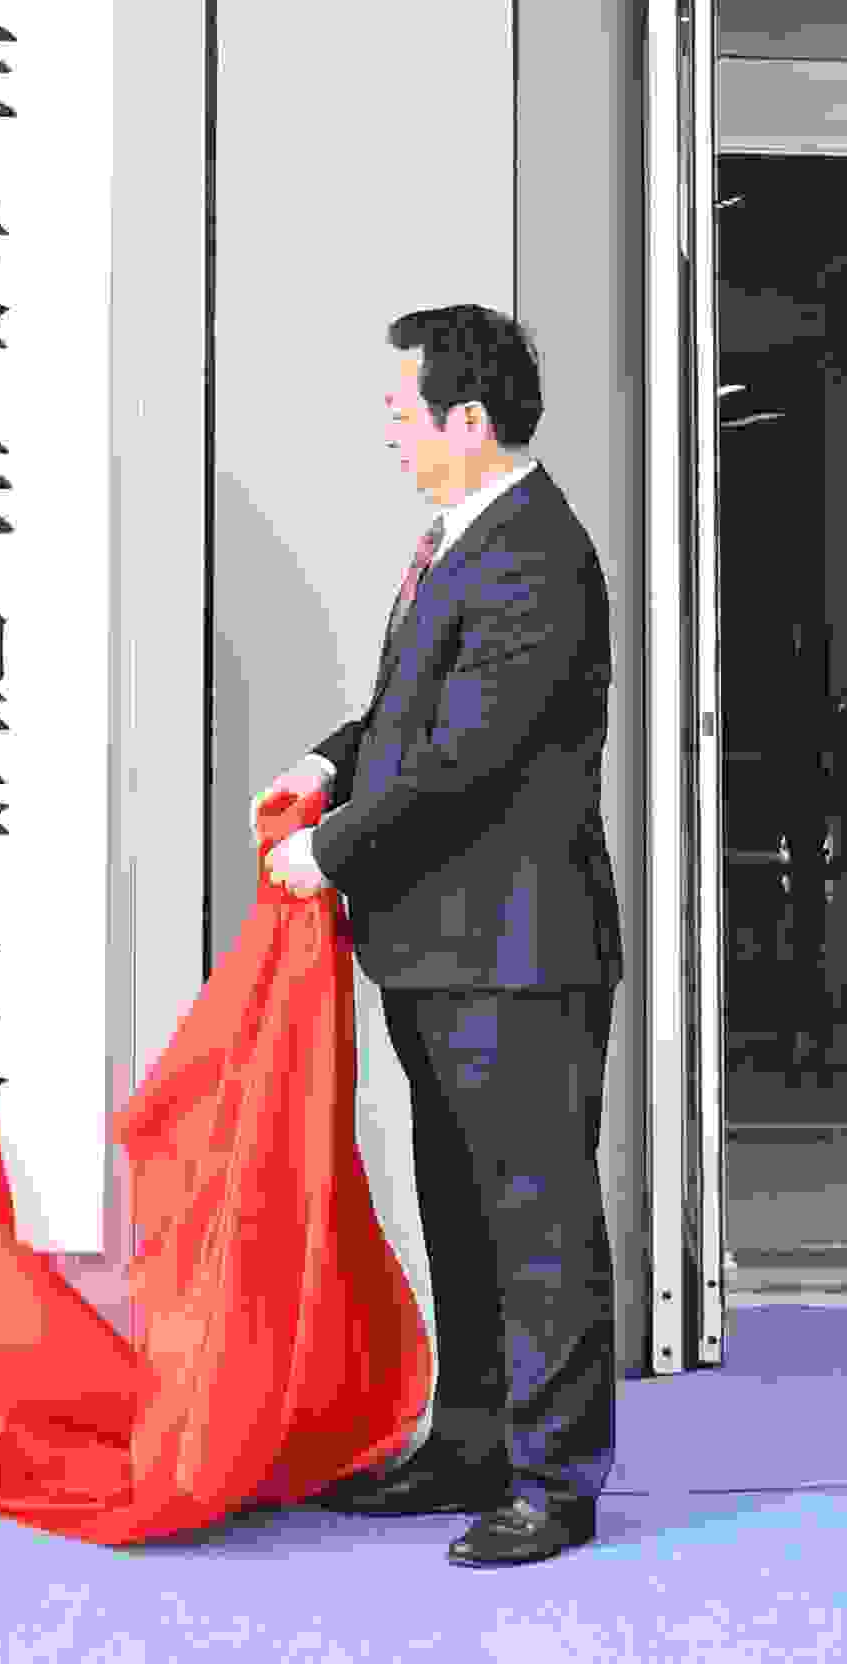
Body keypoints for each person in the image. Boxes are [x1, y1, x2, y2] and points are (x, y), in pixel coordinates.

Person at [261, 301, 621, 1569]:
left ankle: (554, 1480)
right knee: (465, 1212)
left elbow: (468, 753)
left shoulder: (534, 555)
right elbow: (411, 711)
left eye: (400, 410)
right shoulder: (461, 538)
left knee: (535, 1216)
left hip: (517, 948)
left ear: (466, 418)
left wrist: (330, 847)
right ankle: (470, 1440)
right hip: (445, 945)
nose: (391, 431)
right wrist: (328, 758)